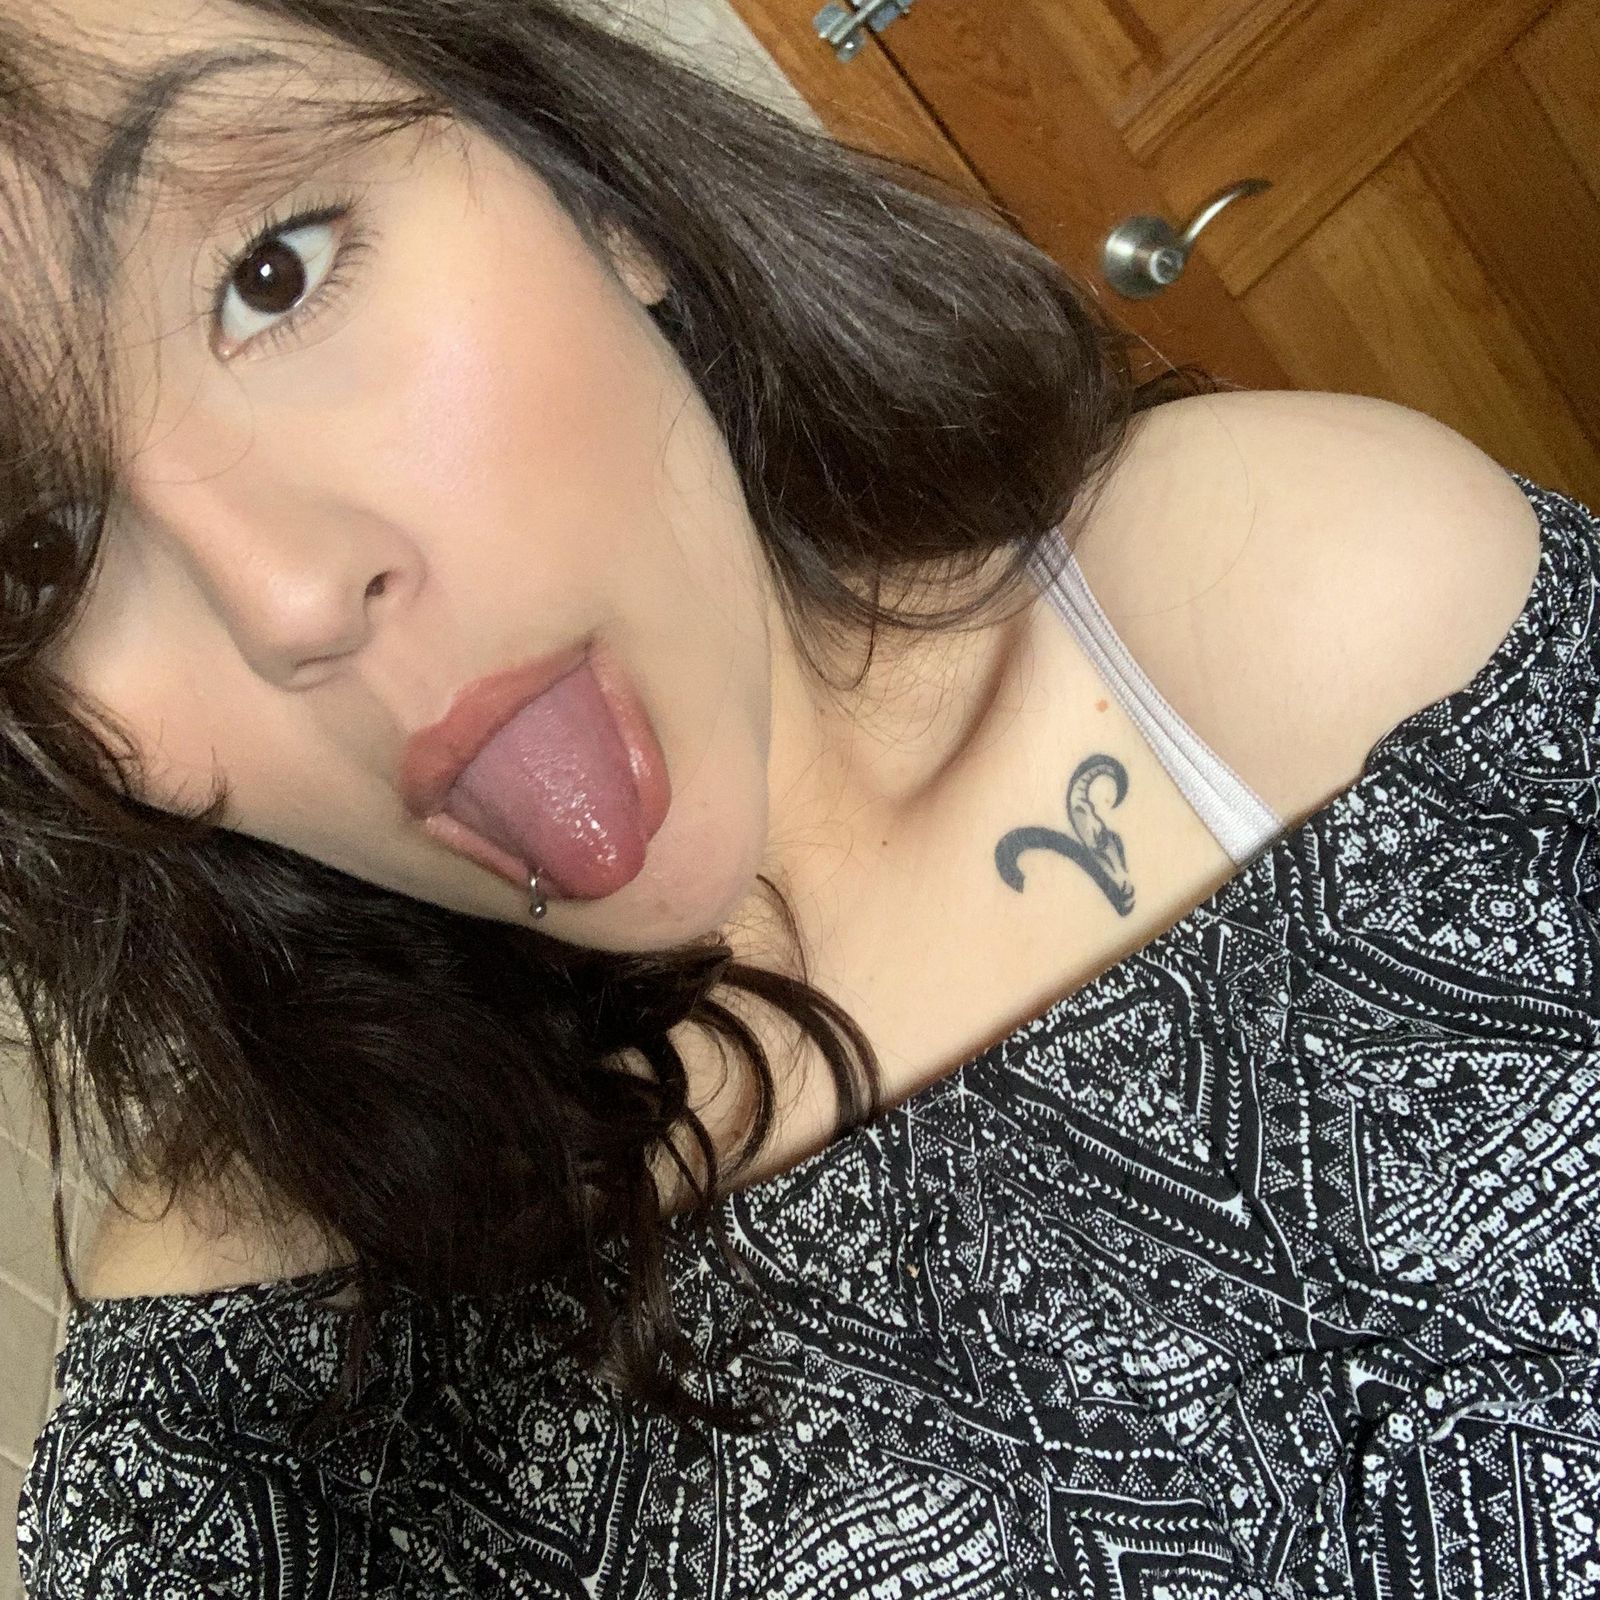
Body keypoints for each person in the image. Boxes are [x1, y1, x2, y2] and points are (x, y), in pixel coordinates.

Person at [6, 0, 1597, 1593]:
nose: (287, 596)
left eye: (273, 271)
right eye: (38, 552)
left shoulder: (1320, 612)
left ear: (588, 183)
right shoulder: (240, 1419)